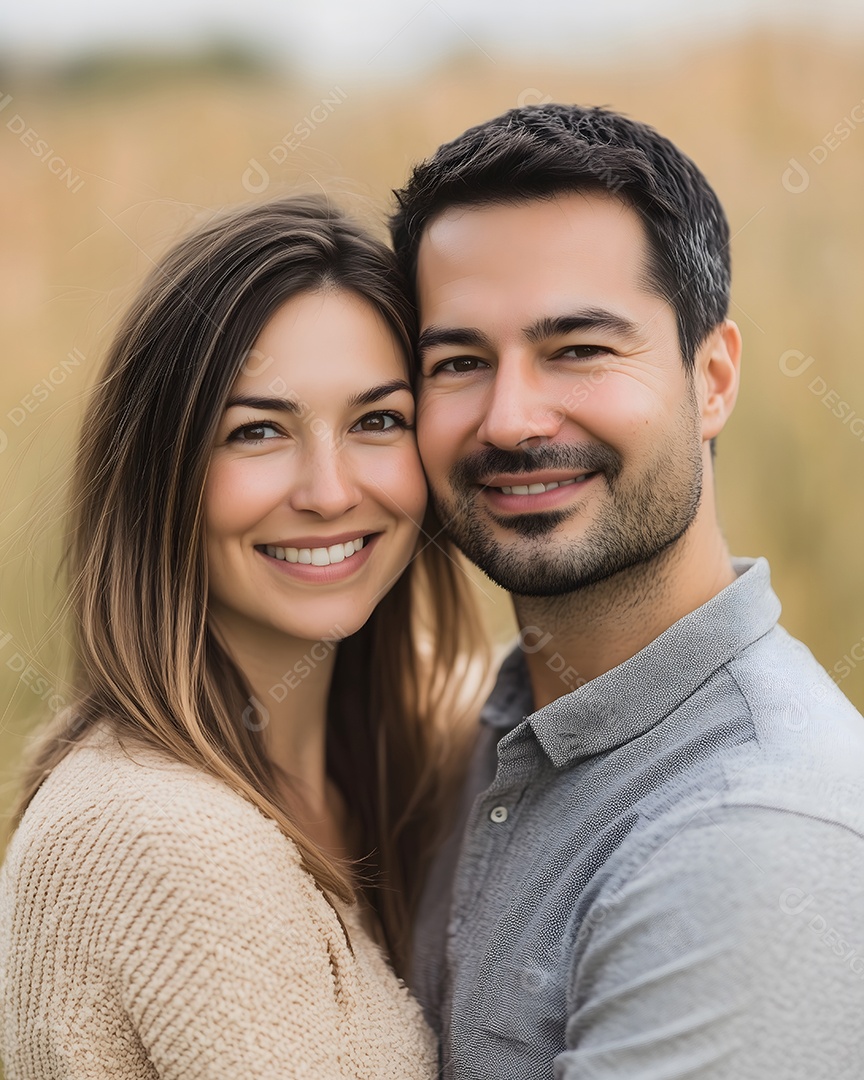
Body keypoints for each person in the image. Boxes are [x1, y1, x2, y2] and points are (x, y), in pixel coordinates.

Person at [390, 104, 864, 1078]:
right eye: (460, 363)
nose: (512, 419)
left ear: (713, 376)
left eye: (580, 348)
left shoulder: (752, 836)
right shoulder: (482, 725)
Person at [0, 195, 483, 1079]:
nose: (330, 491)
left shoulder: (410, 758)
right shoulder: (159, 839)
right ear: (161, 473)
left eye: (378, 420)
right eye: (258, 431)